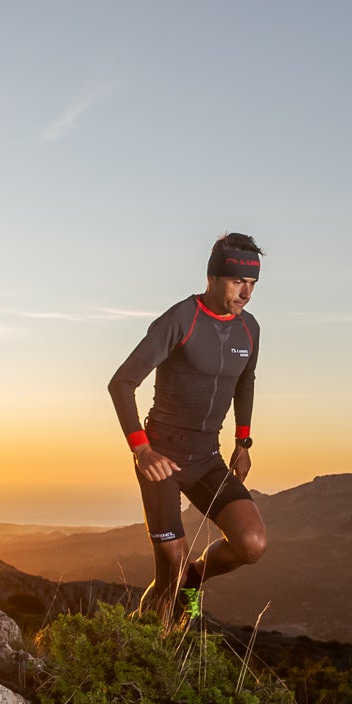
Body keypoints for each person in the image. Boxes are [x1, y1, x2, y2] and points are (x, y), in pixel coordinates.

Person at [108, 233, 267, 624]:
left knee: (252, 544)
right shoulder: (181, 319)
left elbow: (246, 382)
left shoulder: (250, 329)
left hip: (207, 457)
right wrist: (142, 450)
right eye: (237, 282)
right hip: (162, 455)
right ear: (213, 278)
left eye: (252, 284)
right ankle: (148, 643)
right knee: (171, 568)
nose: (245, 293)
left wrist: (242, 442)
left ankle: (196, 578)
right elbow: (122, 383)